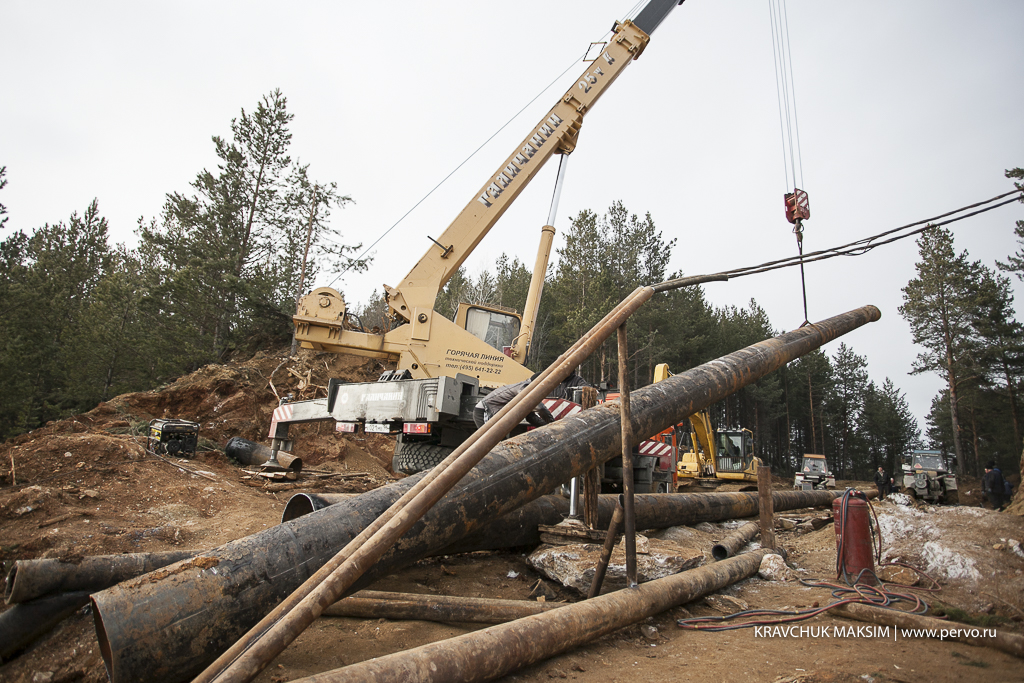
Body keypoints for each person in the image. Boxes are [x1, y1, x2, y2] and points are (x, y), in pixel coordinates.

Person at [474, 376, 555, 430]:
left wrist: (546, 426)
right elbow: (540, 408)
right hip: (485, 411)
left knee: (501, 444)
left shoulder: (524, 390)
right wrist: (552, 424)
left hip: (492, 413)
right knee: (490, 443)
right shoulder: (524, 388)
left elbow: (530, 417)